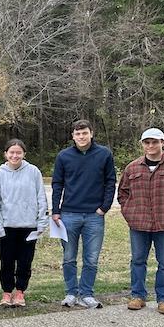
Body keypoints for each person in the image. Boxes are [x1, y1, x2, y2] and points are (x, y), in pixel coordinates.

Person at [51, 119, 116, 310]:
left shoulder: (104, 154)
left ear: (91, 133)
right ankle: (71, 292)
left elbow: (110, 181)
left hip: (94, 216)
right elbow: (57, 184)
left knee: (92, 258)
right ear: (73, 136)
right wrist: (56, 210)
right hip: (69, 214)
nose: (81, 137)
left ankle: (87, 294)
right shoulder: (64, 156)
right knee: (69, 257)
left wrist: (104, 208)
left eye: (85, 133)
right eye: (78, 134)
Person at [118, 127, 164, 316]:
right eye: (147, 142)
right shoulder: (132, 167)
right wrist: (129, 213)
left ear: (163, 143)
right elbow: (123, 193)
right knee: (137, 261)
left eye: (155, 142)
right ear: (142, 144)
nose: (151, 146)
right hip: (139, 223)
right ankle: (138, 296)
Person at [0, 139, 48, 307]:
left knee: (25, 261)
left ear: (24, 154)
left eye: (18, 152)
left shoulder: (33, 172)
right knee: (6, 262)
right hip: (7, 227)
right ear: (6, 154)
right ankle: (7, 292)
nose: (15, 155)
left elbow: (41, 198)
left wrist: (41, 224)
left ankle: (20, 291)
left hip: (29, 227)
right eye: (11, 152)